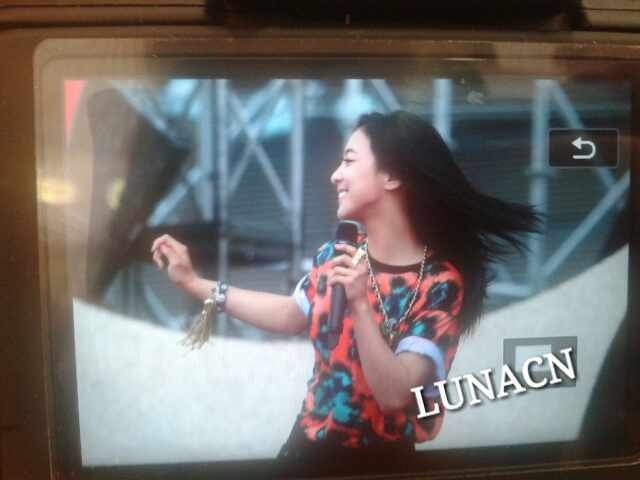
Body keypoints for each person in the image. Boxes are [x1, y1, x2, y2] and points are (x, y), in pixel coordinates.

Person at [150, 111, 539, 476]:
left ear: (392, 175)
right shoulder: (336, 257)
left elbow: (394, 395)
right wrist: (193, 283)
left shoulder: (440, 283)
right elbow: (290, 313)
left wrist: (359, 304)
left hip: (382, 463)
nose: (335, 175)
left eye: (349, 161)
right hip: (306, 450)